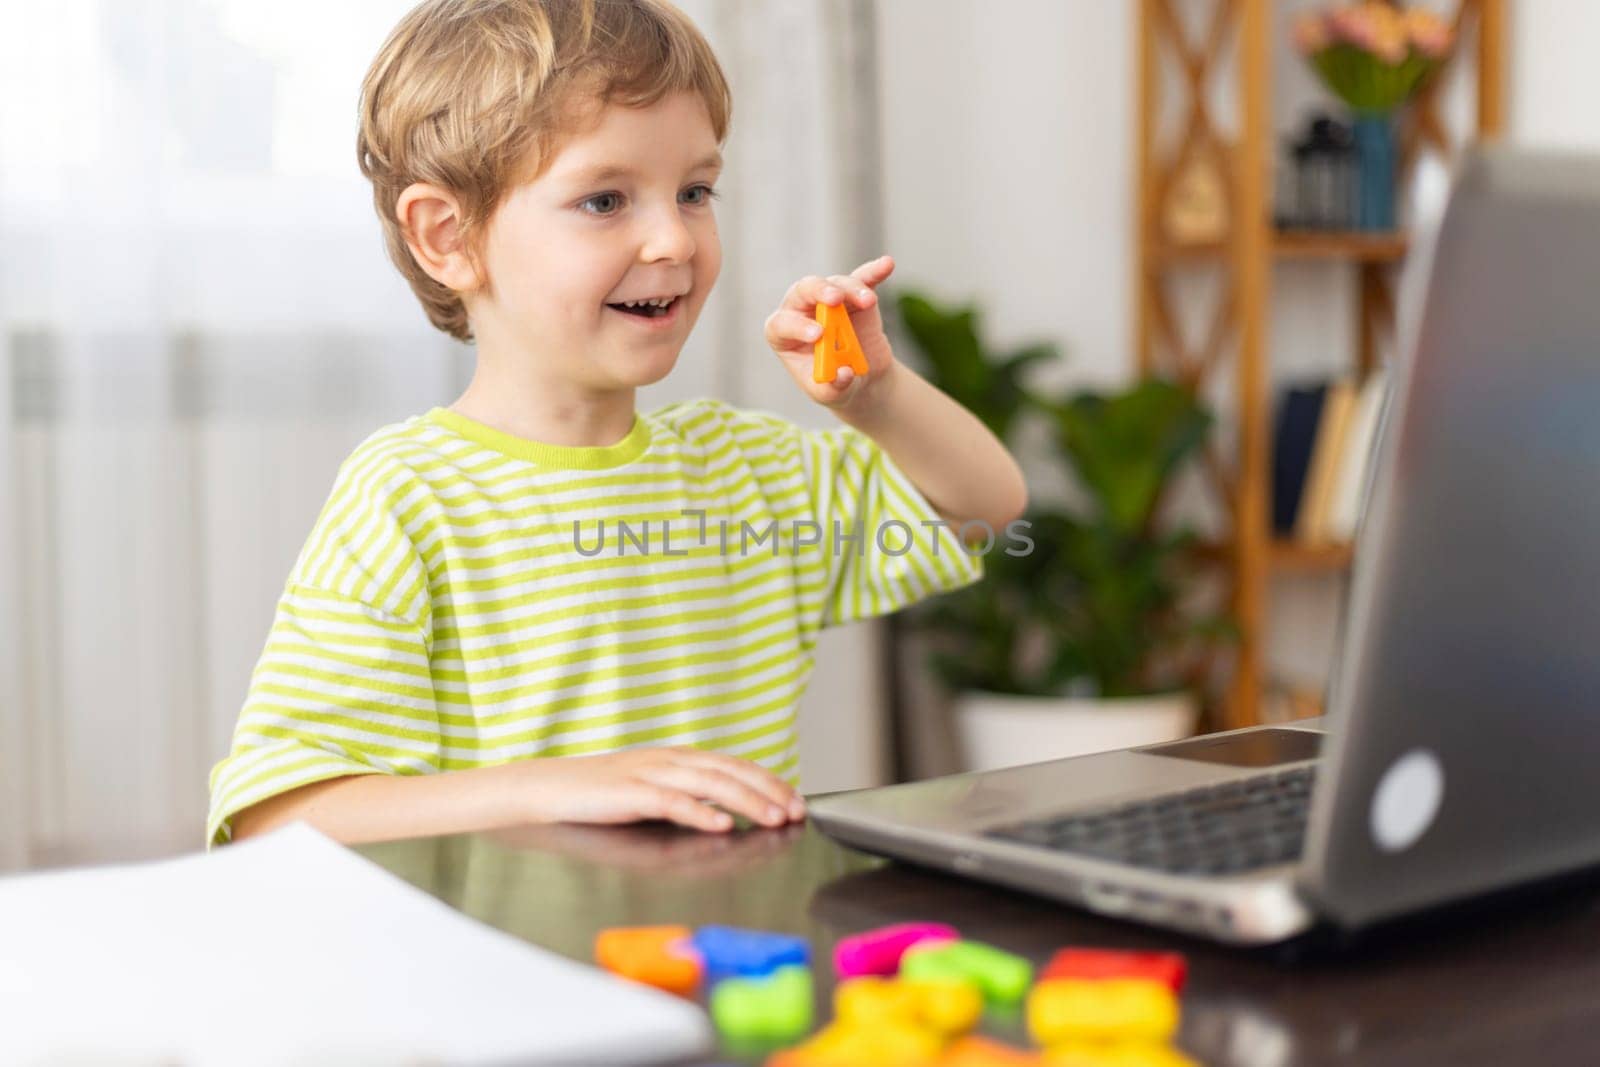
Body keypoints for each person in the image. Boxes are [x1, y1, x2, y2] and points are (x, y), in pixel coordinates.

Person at [206, 0, 1027, 848]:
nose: (674, 238)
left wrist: (874, 397)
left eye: (695, 191)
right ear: (448, 236)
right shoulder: (409, 498)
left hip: (735, 960)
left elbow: (984, 506)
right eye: (605, 199)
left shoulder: (749, 471)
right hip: (518, 972)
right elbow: (281, 812)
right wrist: (557, 788)